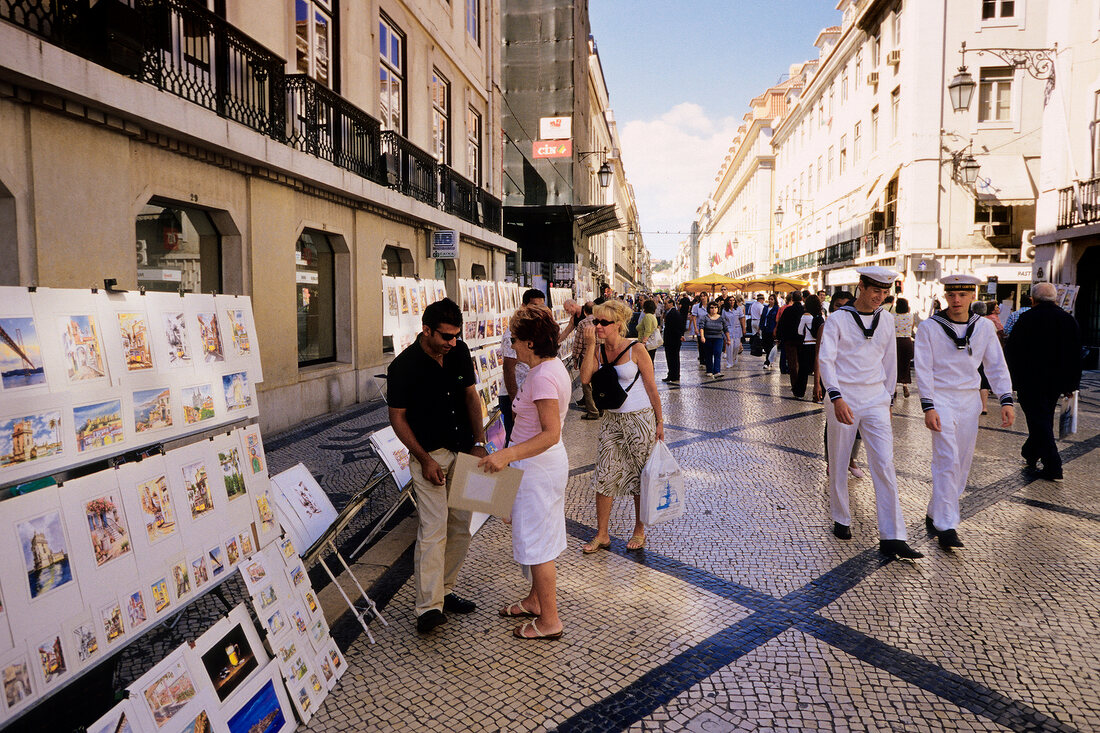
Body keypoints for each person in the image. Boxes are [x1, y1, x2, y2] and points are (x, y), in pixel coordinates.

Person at [387, 298, 485, 633]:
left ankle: (445, 590)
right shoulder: (403, 367)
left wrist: (481, 442)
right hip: (431, 457)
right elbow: (397, 419)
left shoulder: (459, 352)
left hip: (464, 451)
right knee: (433, 529)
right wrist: (424, 459)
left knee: (460, 526)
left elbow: (472, 396)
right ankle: (428, 608)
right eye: (445, 336)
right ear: (426, 330)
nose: (452, 343)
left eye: (456, 336)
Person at [817, 267, 923, 559]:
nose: (880, 296)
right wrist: (835, 397)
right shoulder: (838, 319)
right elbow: (827, 360)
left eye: (885, 292)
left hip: (875, 396)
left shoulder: (887, 320)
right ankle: (841, 517)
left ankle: (893, 536)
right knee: (839, 459)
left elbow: (889, 361)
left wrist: (888, 400)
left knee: (885, 463)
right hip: (844, 395)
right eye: (875, 290)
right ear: (860, 287)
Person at [478, 306, 570, 639]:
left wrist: (507, 454)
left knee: (539, 545)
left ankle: (550, 621)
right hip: (534, 466)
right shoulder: (546, 367)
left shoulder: (544, 375)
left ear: (530, 343)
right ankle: (535, 601)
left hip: (537, 468)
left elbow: (550, 433)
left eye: (514, 339)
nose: (511, 345)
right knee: (535, 535)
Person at [915, 275, 1015, 550]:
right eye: (951, 295)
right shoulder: (929, 327)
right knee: (946, 459)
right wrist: (928, 405)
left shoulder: (983, 327)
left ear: (973, 296)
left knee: (961, 461)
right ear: (945, 296)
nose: (956, 300)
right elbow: (923, 368)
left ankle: (937, 510)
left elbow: (995, 364)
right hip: (942, 398)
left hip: (970, 401)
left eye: (962, 295)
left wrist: (1006, 399)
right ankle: (947, 525)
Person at [580, 299, 665, 553]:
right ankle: (602, 534)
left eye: (603, 323)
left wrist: (660, 422)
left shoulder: (636, 349)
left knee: (640, 477)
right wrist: (591, 345)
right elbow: (585, 379)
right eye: (596, 321)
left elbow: (652, 388)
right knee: (604, 476)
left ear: (618, 325)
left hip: (639, 420)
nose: (598, 326)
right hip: (611, 421)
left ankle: (639, 531)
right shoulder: (597, 349)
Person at [1005, 282, 1083, 482]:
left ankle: (1053, 465)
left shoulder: (1027, 318)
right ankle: (1030, 452)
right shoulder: (1068, 320)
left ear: (1033, 299)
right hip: (1057, 382)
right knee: (1043, 418)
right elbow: (1075, 354)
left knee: (1038, 419)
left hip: (1030, 380)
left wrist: (1012, 381)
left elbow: (1013, 351)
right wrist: (1072, 384)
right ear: (1055, 299)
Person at [500, 288, 546, 442]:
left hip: (528, 393)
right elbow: (508, 369)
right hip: (514, 395)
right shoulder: (512, 335)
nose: (537, 310)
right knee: (514, 439)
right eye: (534, 306)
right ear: (523, 306)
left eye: (541, 306)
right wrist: (514, 403)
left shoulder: (534, 331)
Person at [563, 301, 599, 421]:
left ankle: (593, 411)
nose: (568, 313)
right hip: (599, 356)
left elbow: (578, 343)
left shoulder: (583, 323)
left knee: (587, 384)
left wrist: (575, 358)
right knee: (598, 381)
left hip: (586, 356)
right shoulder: (599, 321)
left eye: (568, 310)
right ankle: (601, 407)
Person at [792, 295, 823, 399]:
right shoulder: (820, 316)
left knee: (803, 371)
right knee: (819, 371)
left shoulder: (805, 315)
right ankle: (821, 393)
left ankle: (799, 393)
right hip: (818, 346)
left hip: (807, 345)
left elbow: (799, 332)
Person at [777, 291, 805, 391]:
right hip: (802, 340)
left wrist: (779, 337)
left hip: (789, 340)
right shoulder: (804, 310)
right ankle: (802, 385)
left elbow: (781, 324)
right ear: (801, 299)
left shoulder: (788, 310)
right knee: (801, 363)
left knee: (792, 364)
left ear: (792, 299)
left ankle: (795, 385)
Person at [699, 301, 729, 379]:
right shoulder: (705, 317)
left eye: (715, 307)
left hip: (718, 338)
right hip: (708, 338)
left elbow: (726, 329)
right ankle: (709, 370)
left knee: (717, 353)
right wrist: (702, 337)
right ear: (709, 309)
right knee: (708, 354)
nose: (713, 309)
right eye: (712, 307)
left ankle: (717, 371)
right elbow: (701, 327)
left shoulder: (721, 318)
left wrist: (728, 339)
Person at [662, 297, 689, 383]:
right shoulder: (672, 312)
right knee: (672, 358)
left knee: (673, 358)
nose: (664, 305)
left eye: (666, 304)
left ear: (671, 304)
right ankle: (672, 375)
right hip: (672, 340)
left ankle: (673, 375)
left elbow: (676, 327)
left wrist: (680, 335)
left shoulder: (674, 313)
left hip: (672, 340)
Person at [894, 297, 915, 398]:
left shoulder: (892, 316)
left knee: (895, 365)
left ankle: (894, 388)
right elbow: (912, 327)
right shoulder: (910, 316)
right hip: (907, 342)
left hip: (896, 342)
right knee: (906, 365)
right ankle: (905, 385)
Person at [722, 296, 746, 370]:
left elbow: (742, 318)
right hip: (728, 330)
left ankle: (734, 357)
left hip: (737, 329)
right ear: (728, 301)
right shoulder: (724, 310)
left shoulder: (738, 309)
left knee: (736, 346)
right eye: (730, 300)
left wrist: (743, 328)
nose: (732, 302)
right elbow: (723, 321)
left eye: (733, 300)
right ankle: (729, 362)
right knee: (729, 346)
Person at [758, 294, 780, 369]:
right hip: (764, 328)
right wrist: (759, 327)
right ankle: (770, 359)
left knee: (770, 345)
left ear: (775, 300)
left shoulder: (776, 309)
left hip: (771, 329)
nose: (770, 301)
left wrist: (776, 329)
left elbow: (777, 320)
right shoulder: (765, 308)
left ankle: (767, 361)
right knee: (765, 345)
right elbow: (762, 318)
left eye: (772, 299)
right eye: (769, 299)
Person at [637, 299, 660, 363]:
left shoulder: (648, 317)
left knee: (646, 362)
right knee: (650, 361)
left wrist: (644, 342)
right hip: (650, 343)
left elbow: (648, 330)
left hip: (647, 344)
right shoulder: (652, 316)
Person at [691, 294, 710, 369]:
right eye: (701, 296)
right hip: (700, 328)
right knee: (701, 344)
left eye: (704, 296)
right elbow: (694, 318)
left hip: (708, 328)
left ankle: (707, 359)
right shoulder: (696, 307)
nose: (703, 297)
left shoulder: (710, 306)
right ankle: (702, 360)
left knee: (708, 344)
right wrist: (695, 328)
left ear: (707, 297)